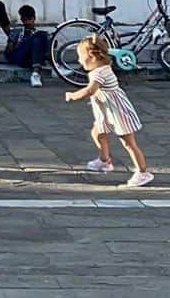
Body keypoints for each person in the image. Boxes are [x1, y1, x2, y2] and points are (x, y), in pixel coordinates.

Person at [65, 34, 153, 188]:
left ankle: (142, 171)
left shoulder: (99, 72)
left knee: (128, 143)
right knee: (97, 133)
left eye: (81, 57)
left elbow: (90, 90)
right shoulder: (100, 68)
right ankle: (104, 160)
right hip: (107, 110)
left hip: (118, 111)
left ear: (92, 57)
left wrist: (73, 95)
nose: (79, 61)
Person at [5, 4, 50, 87]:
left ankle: (36, 73)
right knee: (42, 35)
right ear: (22, 19)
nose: (27, 22)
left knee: (38, 39)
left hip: (32, 59)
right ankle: (52, 65)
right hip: (20, 57)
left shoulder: (38, 35)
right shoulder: (17, 31)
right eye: (25, 20)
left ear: (34, 18)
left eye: (29, 19)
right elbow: (8, 53)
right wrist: (16, 44)